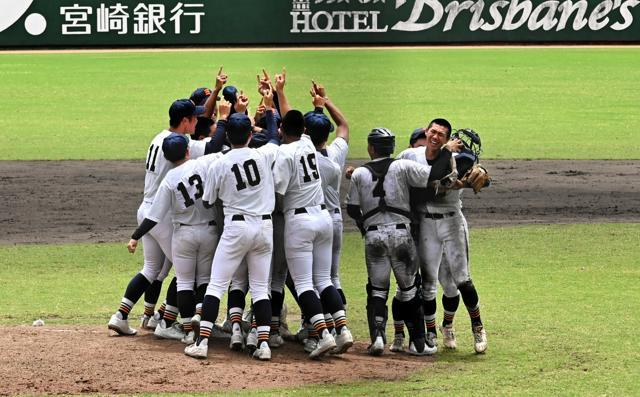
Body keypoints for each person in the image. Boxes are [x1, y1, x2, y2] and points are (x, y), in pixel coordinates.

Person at [346, 127, 461, 356]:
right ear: (392, 147)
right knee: (408, 290)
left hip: (373, 236)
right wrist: (447, 151)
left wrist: (365, 228)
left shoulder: (359, 173)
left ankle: (378, 338)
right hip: (401, 235)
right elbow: (434, 175)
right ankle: (418, 343)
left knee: (377, 290)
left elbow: (351, 208)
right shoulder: (402, 166)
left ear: (370, 148)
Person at [184, 88, 280, 361]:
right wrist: (270, 107)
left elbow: (208, 199)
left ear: (226, 136)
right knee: (261, 288)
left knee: (216, 285)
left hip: (236, 228)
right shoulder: (264, 155)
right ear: (251, 134)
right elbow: (274, 137)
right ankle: (263, 345)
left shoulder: (220, 163)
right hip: (264, 228)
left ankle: (201, 343)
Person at [107, 99, 204, 337]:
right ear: (185, 121)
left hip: (146, 210)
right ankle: (166, 323)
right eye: (194, 118)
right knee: (186, 272)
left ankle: (120, 316)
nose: (198, 121)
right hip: (160, 215)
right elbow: (214, 145)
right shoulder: (180, 144)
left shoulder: (158, 137)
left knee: (152, 269)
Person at [397, 119, 488, 354]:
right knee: (427, 283)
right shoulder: (410, 155)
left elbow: (480, 177)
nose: (436, 136)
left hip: (452, 221)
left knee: (462, 279)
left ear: (447, 140)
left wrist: (484, 174)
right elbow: (390, 170)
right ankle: (431, 333)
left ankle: (477, 326)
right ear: (426, 132)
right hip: (426, 222)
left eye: (441, 134)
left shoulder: (459, 159)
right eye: (433, 131)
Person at [126, 133, 222, 344]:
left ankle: (188, 330)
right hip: (208, 231)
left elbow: (153, 217)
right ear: (188, 151)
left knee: (185, 282)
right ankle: (202, 319)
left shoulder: (168, 180)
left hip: (184, 234)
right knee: (204, 279)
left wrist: (135, 237)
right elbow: (221, 148)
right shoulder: (204, 162)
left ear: (167, 159)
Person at [273, 109, 353, 359]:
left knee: (304, 283)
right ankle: (342, 330)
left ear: (280, 130)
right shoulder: (308, 143)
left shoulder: (283, 153)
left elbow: (278, 194)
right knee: (324, 280)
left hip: (300, 221)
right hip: (324, 218)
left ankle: (323, 335)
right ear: (304, 131)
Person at [305, 81, 349, 310]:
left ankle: (316, 326)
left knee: (312, 280)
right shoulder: (335, 154)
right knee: (332, 277)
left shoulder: (301, 157)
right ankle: (340, 320)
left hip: (311, 220)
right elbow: (343, 125)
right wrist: (325, 100)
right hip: (334, 219)